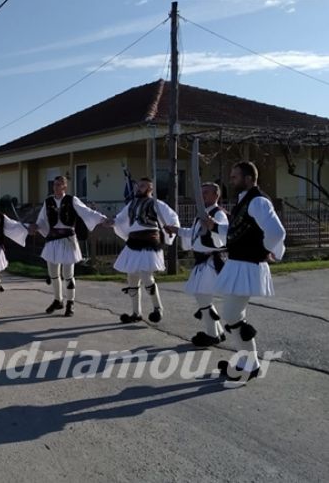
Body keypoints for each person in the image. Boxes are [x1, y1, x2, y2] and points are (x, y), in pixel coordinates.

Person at [204, 161, 285, 387]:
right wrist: (214, 227)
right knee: (232, 314)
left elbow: (277, 232)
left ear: (249, 178)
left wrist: (269, 249)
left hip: (248, 265)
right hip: (239, 263)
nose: (231, 181)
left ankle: (250, 365)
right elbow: (236, 232)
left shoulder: (258, 200)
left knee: (232, 316)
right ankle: (246, 363)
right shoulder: (245, 201)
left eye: (235, 177)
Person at [29, 176, 111, 317]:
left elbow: (86, 212)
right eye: (54, 184)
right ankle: (58, 300)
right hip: (53, 240)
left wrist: (102, 219)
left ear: (64, 187)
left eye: (59, 184)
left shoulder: (72, 200)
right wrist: (35, 227)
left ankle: (70, 302)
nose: (56, 187)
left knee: (68, 274)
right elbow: (42, 220)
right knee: (53, 273)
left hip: (68, 240)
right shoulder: (48, 202)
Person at [165, 182, 227, 346]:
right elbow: (193, 234)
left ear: (216, 195)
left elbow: (224, 232)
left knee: (203, 297)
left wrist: (213, 225)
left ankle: (212, 334)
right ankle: (217, 332)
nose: (202, 196)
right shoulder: (201, 214)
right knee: (203, 298)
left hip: (211, 261)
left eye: (206, 193)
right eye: (201, 193)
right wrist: (176, 230)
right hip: (201, 261)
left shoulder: (218, 214)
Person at [112, 177, 180, 324]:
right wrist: (111, 222)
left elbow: (172, 217)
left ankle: (158, 308)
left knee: (146, 276)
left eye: (143, 186)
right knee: (132, 278)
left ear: (150, 189)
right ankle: (136, 313)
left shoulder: (157, 204)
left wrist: (170, 230)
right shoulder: (131, 204)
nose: (139, 188)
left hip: (149, 243)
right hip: (133, 242)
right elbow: (120, 219)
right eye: (139, 185)